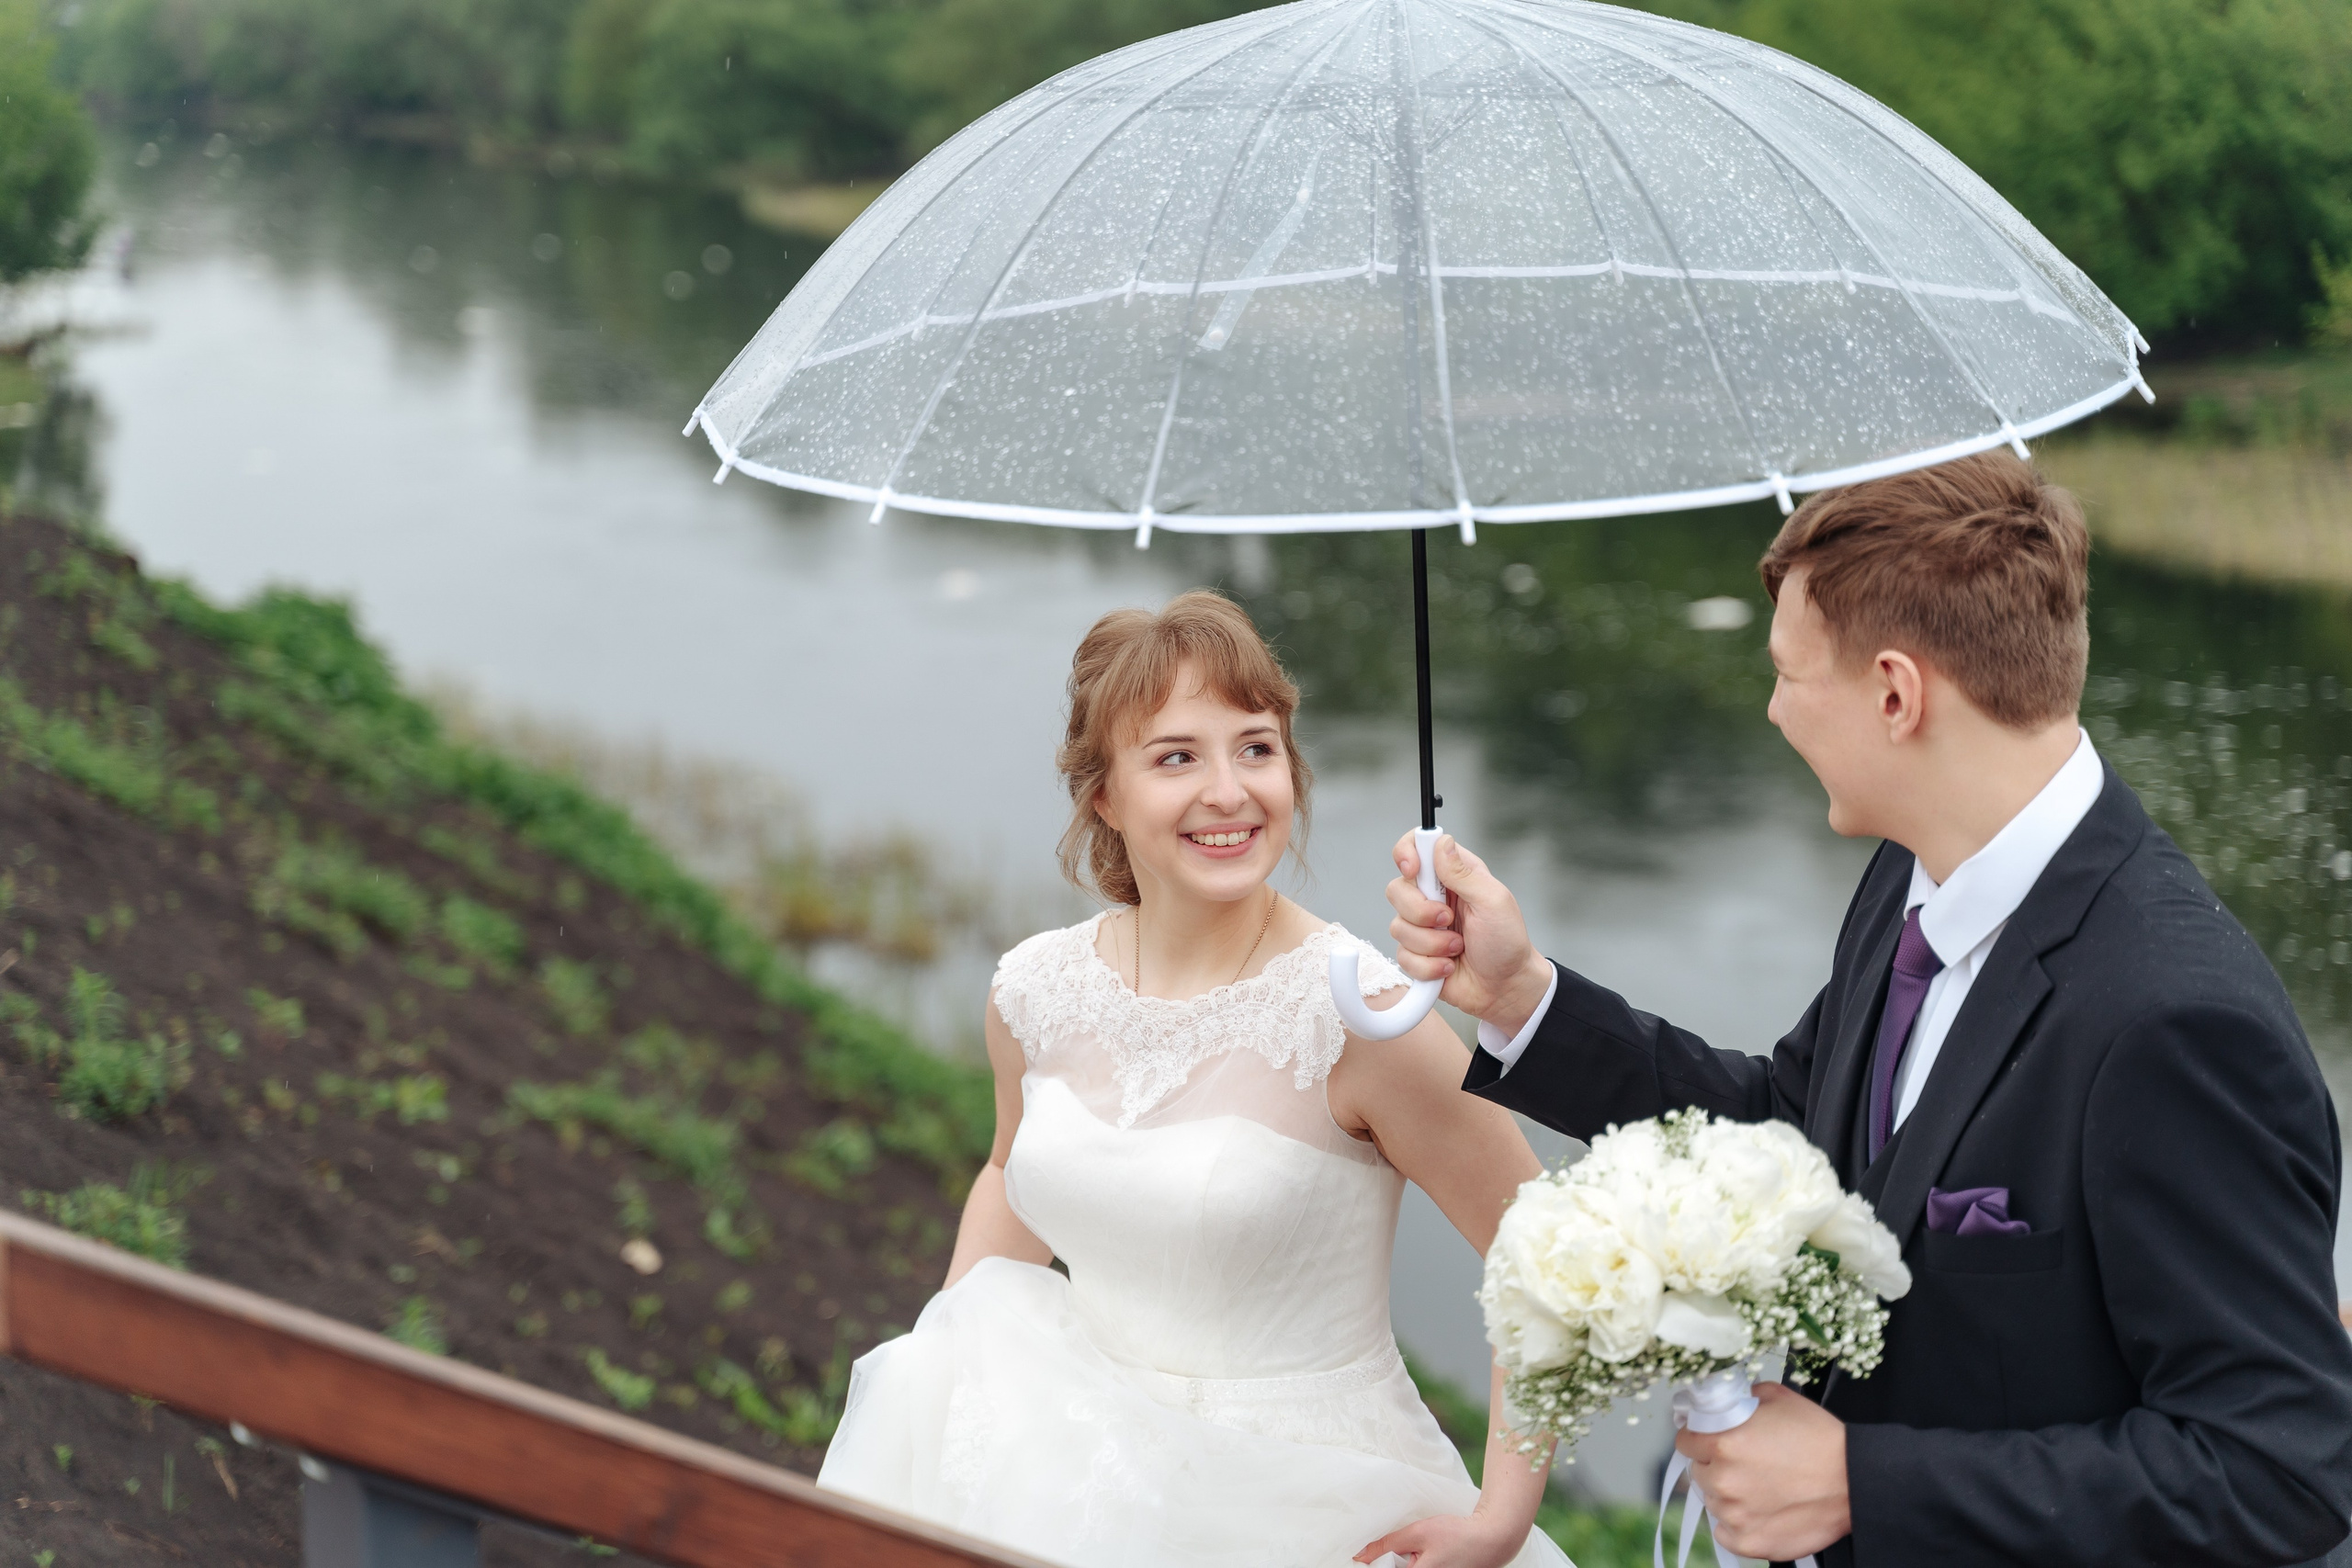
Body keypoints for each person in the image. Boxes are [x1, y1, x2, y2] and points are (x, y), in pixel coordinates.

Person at [1385, 452, 2352, 1568]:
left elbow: (2277, 1469)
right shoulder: (1911, 872)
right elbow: (1799, 1132)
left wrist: (1862, 1484)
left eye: (1791, 676)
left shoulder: (2175, 1024)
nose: (1773, 711)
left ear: (1896, 693)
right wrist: (1522, 998)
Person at [819, 591, 1569, 1568]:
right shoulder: (1034, 992)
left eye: (1256, 748)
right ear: (1104, 794)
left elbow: (1549, 1252)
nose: (1230, 791)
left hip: (1306, 1515)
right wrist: (941, 1379)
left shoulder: (1359, 1015)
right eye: (1177, 756)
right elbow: (1010, 1179)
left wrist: (1499, 1519)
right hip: (1069, 1484)